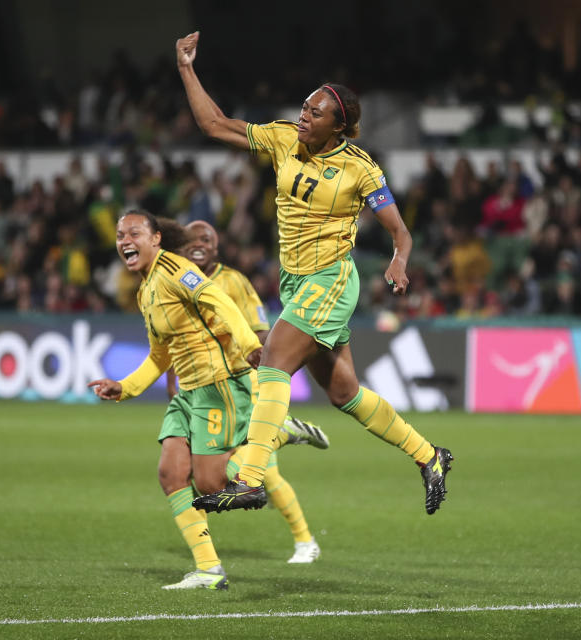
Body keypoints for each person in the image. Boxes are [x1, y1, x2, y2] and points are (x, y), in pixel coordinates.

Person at [174, 31, 453, 516]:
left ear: (338, 126)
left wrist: (398, 260)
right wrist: (185, 68)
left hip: (331, 280)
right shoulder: (284, 138)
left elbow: (400, 232)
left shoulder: (359, 168)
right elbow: (214, 124)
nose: (303, 116)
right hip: (297, 283)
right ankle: (430, 456)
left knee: (273, 362)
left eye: (314, 113)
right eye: (304, 108)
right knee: (344, 392)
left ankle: (250, 478)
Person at [87, 212, 313, 592]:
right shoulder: (145, 290)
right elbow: (161, 354)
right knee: (170, 474)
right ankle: (209, 569)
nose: (125, 239)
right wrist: (124, 388)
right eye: (120, 234)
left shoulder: (177, 269)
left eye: (135, 232)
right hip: (186, 395)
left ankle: (276, 432)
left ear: (156, 238)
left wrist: (247, 345)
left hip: (217, 385)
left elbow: (220, 301)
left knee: (210, 485)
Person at [171, 219, 330, 563]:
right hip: (204, 393)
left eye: (207, 238)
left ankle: (305, 542)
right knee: (209, 477)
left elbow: (260, 333)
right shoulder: (176, 284)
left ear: (216, 248)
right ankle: (283, 433)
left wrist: (258, 380)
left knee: (263, 472)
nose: (198, 242)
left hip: (242, 383)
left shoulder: (234, 282)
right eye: (191, 239)